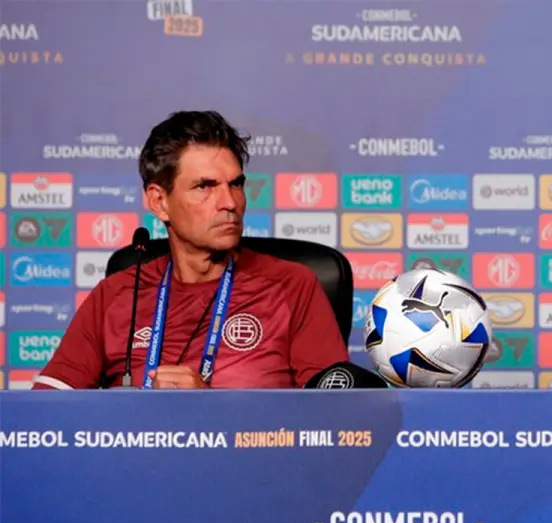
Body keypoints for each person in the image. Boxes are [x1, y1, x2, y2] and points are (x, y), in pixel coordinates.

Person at [32, 110, 350, 390]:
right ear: (159, 201)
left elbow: (330, 421)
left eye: (236, 184)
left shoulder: (293, 286)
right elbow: (46, 414)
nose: (229, 203)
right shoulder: (114, 296)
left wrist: (205, 411)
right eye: (205, 187)